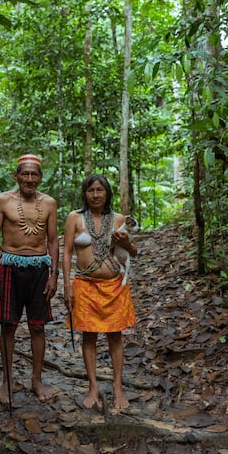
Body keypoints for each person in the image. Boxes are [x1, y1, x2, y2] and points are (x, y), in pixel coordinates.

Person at [0, 154, 59, 404]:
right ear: (15, 176)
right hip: (10, 267)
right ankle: (7, 381)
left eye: (34, 174)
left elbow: (53, 240)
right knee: (8, 325)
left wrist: (54, 275)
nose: (30, 179)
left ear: (40, 177)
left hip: (39, 268)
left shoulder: (49, 203)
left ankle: (36, 380)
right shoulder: (2, 200)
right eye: (25, 174)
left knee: (37, 326)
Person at [62, 174, 137, 410]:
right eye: (90, 190)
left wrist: (124, 242)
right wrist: (66, 285)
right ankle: (93, 387)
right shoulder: (74, 218)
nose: (95, 195)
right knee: (89, 336)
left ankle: (117, 387)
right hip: (84, 284)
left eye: (100, 190)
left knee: (115, 335)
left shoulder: (118, 219)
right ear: (85, 193)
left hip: (114, 285)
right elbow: (66, 253)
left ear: (107, 193)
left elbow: (132, 252)